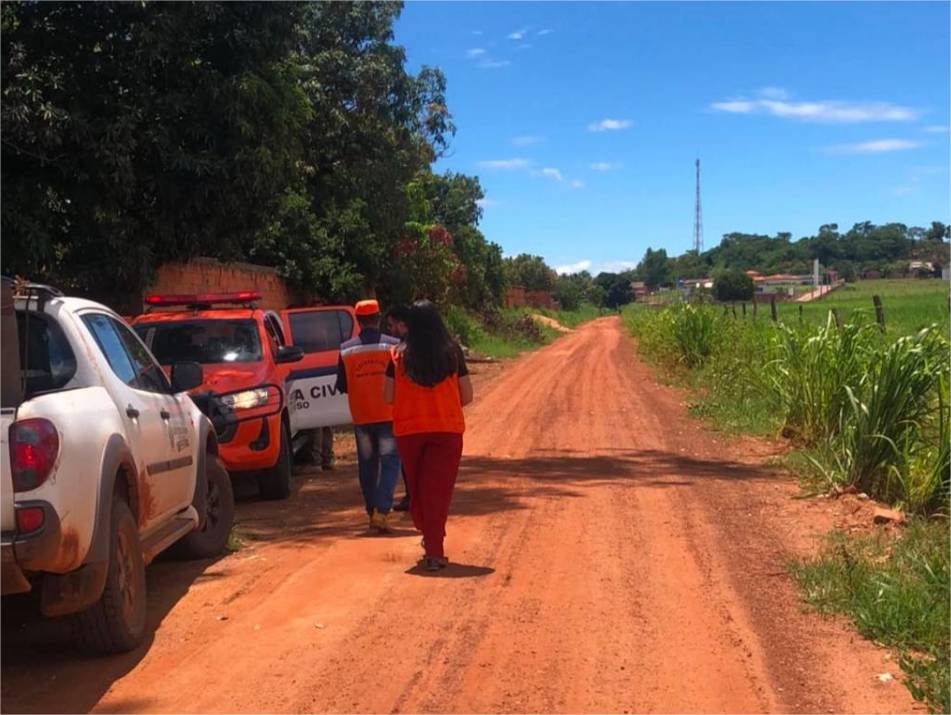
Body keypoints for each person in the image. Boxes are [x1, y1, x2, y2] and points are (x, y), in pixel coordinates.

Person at [383, 300, 473, 571]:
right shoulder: (453, 353)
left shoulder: (396, 356)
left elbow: (388, 396)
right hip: (447, 431)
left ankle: (431, 542)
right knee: (437, 491)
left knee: (419, 490)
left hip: (409, 432)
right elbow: (467, 396)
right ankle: (434, 545)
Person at [335, 299, 401, 533]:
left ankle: (371, 508)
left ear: (358, 320)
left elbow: (342, 385)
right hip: (388, 414)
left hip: (362, 417)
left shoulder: (346, 349)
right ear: (379, 317)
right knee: (391, 462)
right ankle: (381, 512)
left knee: (367, 466)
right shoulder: (393, 346)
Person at [384, 305, 412, 512]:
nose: (390, 330)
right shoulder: (441, 349)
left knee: (408, 463)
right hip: (437, 420)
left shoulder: (396, 354)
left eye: (392, 325)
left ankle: (413, 497)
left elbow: (388, 396)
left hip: (406, 421)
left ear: (403, 325)